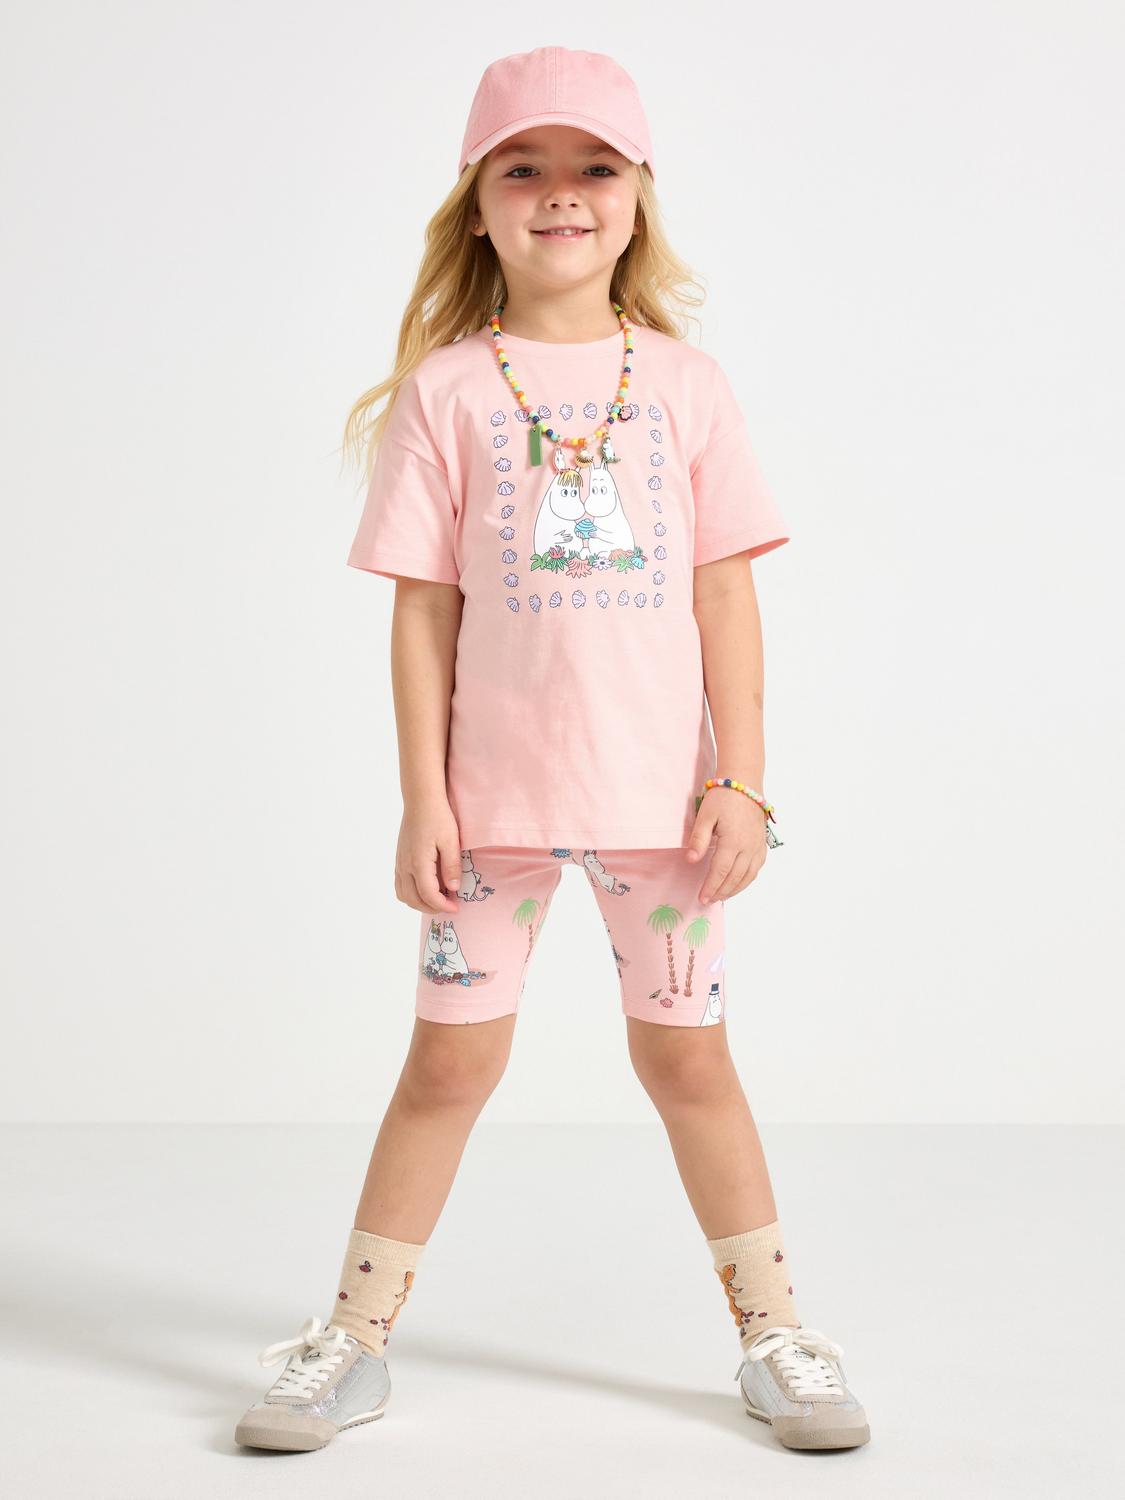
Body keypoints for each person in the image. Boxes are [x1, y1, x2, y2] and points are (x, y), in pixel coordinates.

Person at [234, 45, 870, 1455]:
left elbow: (725, 595)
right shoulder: (448, 391)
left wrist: (742, 778)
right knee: (447, 1068)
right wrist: (423, 798)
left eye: (594, 166)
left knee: (689, 1066)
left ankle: (775, 1333)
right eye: (522, 167)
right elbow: (423, 612)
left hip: (666, 811)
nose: (560, 193)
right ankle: (352, 1339)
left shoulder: (688, 385)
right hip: (491, 812)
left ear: (639, 198)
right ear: (476, 204)